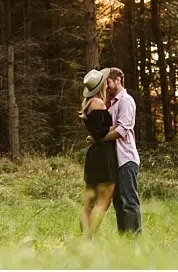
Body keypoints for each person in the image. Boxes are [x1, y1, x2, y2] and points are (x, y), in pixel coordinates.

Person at [87, 67, 142, 234]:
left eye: (109, 82)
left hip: (126, 159)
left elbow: (122, 130)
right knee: (119, 203)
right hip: (114, 161)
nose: (107, 86)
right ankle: (124, 239)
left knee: (129, 201)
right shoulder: (111, 104)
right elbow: (107, 128)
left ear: (118, 79)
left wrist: (98, 138)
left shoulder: (126, 101)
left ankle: (134, 240)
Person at [78, 68, 118, 238]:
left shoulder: (87, 104)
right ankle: (88, 239)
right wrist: (117, 126)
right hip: (103, 154)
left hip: (94, 154)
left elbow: (95, 131)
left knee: (88, 203)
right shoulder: (98, 103)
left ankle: (84, 238)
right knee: (103, 201)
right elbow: (101, 132)